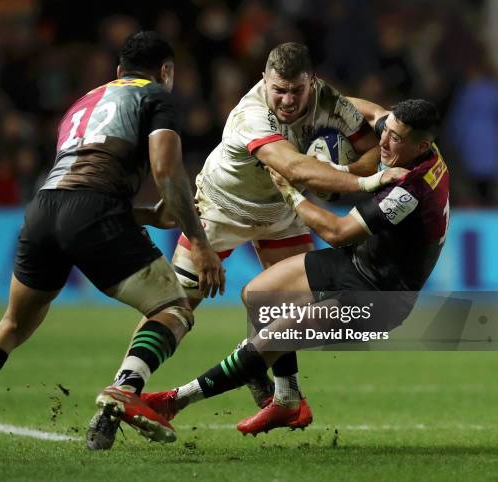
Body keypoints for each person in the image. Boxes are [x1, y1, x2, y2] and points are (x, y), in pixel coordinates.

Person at [85, 41, 409, 448]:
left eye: (296, 90)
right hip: (221, 208)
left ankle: (286, 396)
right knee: (174, 308)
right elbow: (293, 166)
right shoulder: (252, 115)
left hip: (280, 210)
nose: (287, 100)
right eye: (279, 90)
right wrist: (361, 180)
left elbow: (369, 151)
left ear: (312, 82)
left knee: (287, 304)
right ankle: (121, 394)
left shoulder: (329, 101)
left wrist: (346, 160)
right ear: (264, 82)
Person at [0, 31, 225, 461]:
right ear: (166, 72)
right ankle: (125, 388)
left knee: (12, 324)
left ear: (118, 71)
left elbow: (77, 180)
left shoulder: (82, 103)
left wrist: (142, 215)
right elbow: (166, 171)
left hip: (43, 209)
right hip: (93, 211)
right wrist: (199, 242)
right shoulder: (156, 96)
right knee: (173, 309)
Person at [142, 98, 449, 436]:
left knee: (274, 336)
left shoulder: (409, 190)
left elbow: (337, 232)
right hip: (357, 265)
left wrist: (289, 189)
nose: (384, 142)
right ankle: (287, 400)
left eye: (396, 139)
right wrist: (318, 98)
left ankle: (175, 401)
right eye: (386, 132)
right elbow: (373, 113)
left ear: (421, 145)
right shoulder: (414, 144)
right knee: (259, 296)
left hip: (380, 298)